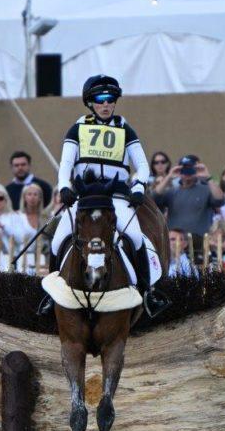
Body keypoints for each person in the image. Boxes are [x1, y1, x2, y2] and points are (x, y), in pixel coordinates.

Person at [42, 74, 169, 316]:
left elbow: (142, 166)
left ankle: (147, 294)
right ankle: (52, 296)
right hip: (85, 197)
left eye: (110, 99)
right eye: (100, 99)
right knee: (58, 240)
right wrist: (64, 186)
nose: (106, 104)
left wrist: (139, 186)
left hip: (116, 197)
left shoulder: (125, 128)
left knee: (135, 237)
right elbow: (66, 164)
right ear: (90, 102)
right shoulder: (77, 128)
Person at [153, 155, 225, 259]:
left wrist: (207, 176)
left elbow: (220, 200)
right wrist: (169, 176)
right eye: (184, 168)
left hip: (199, 246)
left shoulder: (206, 189)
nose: (187, 172)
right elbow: (154, 197)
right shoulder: (172, 191)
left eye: (191, 168)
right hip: (175, 246)